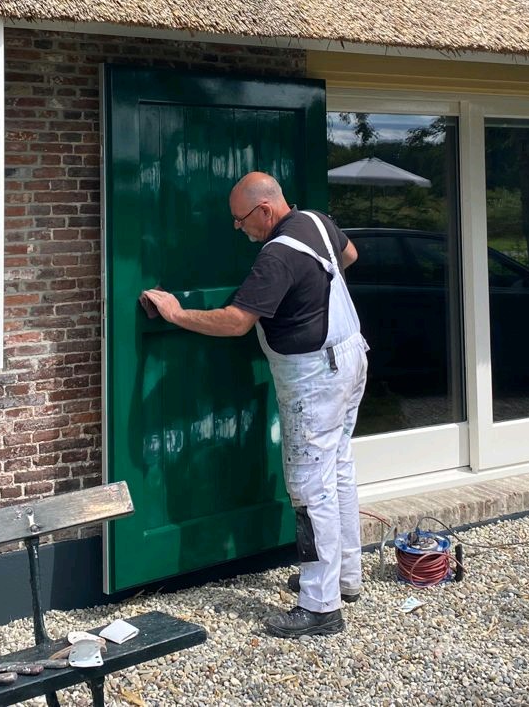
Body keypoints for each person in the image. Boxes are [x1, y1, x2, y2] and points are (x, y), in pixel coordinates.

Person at [141, 172, 369, 639]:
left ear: (265, 210)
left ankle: (320, 606)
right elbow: (349, 255)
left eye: (241, 219)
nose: (238, 228)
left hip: (314, 376)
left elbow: (236, 322)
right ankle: (344, 577)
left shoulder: (277, 255)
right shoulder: (316, 221)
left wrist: (176, 313)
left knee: (310, 488)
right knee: (339, 468)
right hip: (350, 356)